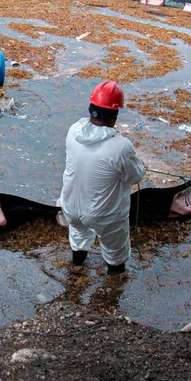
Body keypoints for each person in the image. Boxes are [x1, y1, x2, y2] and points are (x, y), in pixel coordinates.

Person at [59, 80, 145, 273]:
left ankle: (77, 268)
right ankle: (113, 287)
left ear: (91, 109)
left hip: (70, 207)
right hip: (102, 214)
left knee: (79, 238)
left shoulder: (73, 131)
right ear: (115, 114)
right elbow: (135, 176)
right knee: (116, 251)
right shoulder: (121, 146)